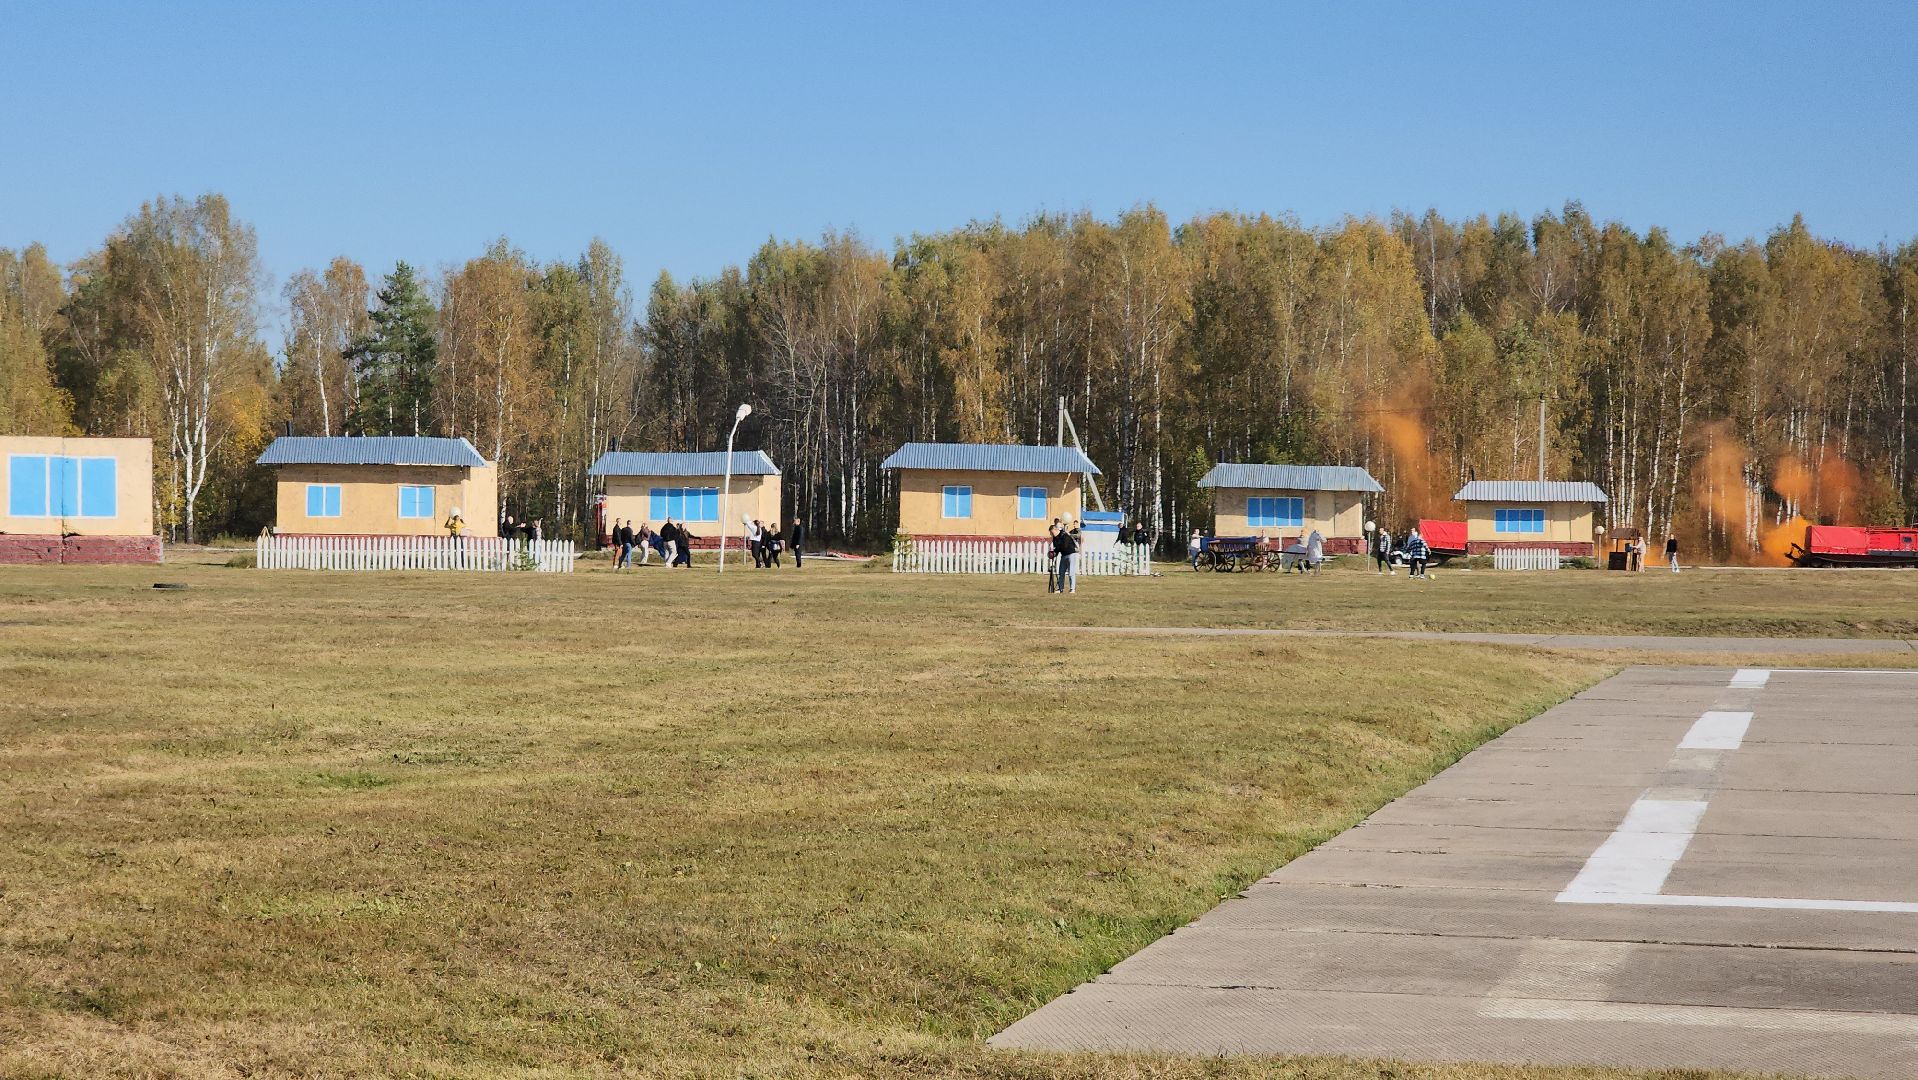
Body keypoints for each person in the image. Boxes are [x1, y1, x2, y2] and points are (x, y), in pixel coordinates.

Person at [1053, 516, 1079, 594]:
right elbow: (1057, 547)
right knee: (1061, 573)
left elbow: (1064, 546)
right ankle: (1060, 588)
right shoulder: (1056, 537)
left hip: (1071, 554)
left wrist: (1057, 550)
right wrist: (1054, 553)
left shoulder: (1064, 535)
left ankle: (1072, 589)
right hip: (1063, 555)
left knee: (1071, 573)